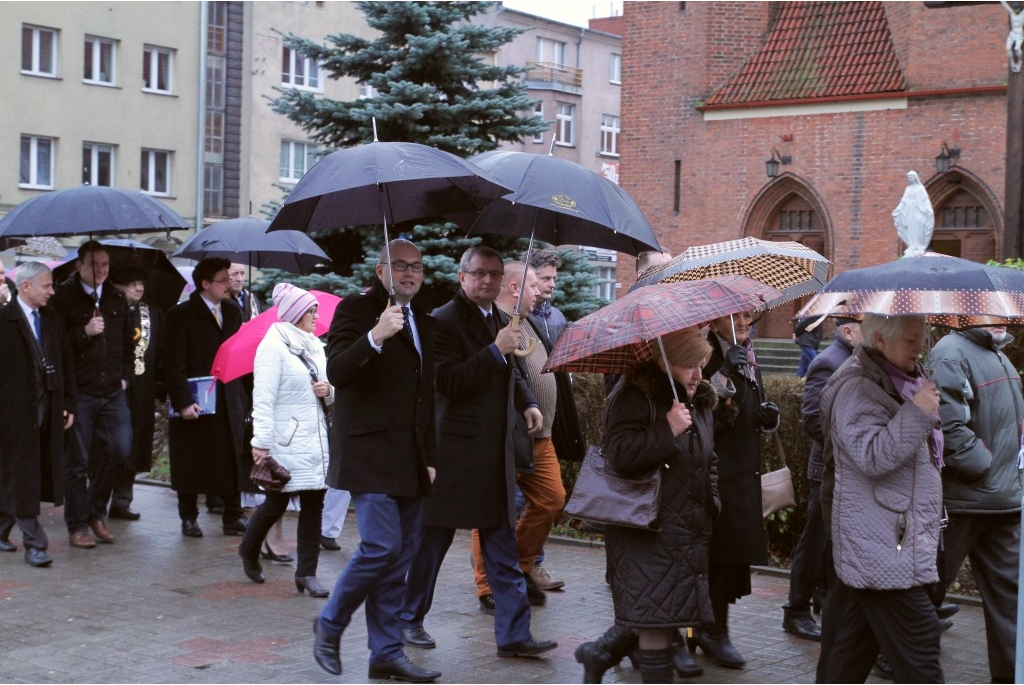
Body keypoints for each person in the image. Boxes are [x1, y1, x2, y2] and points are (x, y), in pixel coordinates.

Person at [397, 246, 557, 660]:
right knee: (431, 545)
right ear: (461, 276)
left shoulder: (502, 319)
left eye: (493, 274)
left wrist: (528, 403)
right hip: (454, 453)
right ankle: (408, 620)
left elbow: (513, 372)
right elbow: (447, 381)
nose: (486, 281)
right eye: (478, 273)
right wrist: (495, 350)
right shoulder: (442, 322)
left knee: (501, 547)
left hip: (494, 452)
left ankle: (513, 634)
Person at [313, 239, 441, 682]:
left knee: (399, 559)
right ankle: (329, 623)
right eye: (399, 265)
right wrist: (376, 336)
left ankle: (385, 652)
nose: (409, 274)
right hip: (368, 452)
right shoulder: (356, 309)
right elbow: (337, 372)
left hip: (409, 457)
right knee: (380, 547)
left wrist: (430, 456)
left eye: (417, 267)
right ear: (379, 269)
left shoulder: (422, 319)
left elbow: (426, 396)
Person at [575, 326, 719, 683]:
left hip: (685, 528)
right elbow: (621, 456)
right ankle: (604, 655)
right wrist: (666, 431)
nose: (698, 374)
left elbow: (709, 458)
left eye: (702, 364)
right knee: (655, 621)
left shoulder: (697, 398)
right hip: (645, 528)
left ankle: (599, 653)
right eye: (690, 366)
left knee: (662, 612)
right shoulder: (633, 397)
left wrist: (712, 500)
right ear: (663, 362)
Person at [818, 314, 944, 683]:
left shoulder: (899, 380)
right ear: (880, 340)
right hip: (884, 546)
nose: (918, 347)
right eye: (910, 340)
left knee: (850, 652)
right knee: (921, 649)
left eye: (920, 338)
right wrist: (918, 412)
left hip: (890, 538)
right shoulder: (856, 387)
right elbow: (874, 456)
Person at [926, 325, 1021, 684]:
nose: (997, 317)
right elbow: (947, 425)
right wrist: (983, 466)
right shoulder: (951, 351)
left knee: (1011, 606)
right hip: (965, 503)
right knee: (925, 592)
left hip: (1004, 503)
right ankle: (895, 660)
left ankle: (1011, 677)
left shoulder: (1000, 355)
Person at [470, 260, 566, 610]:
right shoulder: (493, 324)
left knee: (551, 499)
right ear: (513, 288)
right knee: (493, 510)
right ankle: (487, 585)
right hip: (507, 435)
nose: (539, 291)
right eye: (531, 286)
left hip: (541, 435)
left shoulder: (530, 322)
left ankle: (520, 566)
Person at [696, 310, 779, 668]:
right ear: (715, 321)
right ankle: (710, 631)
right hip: (717, 470)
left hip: (743, 468)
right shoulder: (707, 353)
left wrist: (764, 417)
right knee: (720, 555)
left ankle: (715, 627)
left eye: (748, 315)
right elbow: (698, 407)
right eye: (735, 316)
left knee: (733, 556)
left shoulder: (748, 353)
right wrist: (725, 370)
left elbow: (743, 405)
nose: (744, 322)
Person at [238, 283, 331, 597]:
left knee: (314, 506)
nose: (316, 316)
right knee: (276, 503)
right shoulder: (272, 346)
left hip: (316, 439)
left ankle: (307, 574)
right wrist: (261, 442)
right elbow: (262, 398)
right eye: (311, 311)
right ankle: (249, 549)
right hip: (286, 440)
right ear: (295, 314)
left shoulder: (315, 345)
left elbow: (329, 391)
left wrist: (328, 391)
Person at [783, 318, 861, 643]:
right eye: (866, 326)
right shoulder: (828, 363)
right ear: (847, 331)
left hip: (849, 470)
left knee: (832, 543)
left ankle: (822, 600)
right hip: (827, 470)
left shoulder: (857, 362)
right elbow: (813, 420)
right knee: (815, 540)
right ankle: (796, 610)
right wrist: (853, 445)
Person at [52, 240, 134, 549]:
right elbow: (57, 347)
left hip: (113, 389)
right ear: (79, 266)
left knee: (121, 451)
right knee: (77, 462)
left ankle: (96, 512)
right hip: (80, 391)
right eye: (94, 265)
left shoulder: (115, 295)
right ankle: (77, 525)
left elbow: (128, 342)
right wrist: (83, 332)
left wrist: (125, 376)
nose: (100, 270)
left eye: (105, 265)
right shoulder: (63, 298)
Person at [161, 257, 249, 538]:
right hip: (196, 398)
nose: (230, 284)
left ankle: (233, 515)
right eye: (223, 280)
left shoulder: (233, 311)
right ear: (205, 284)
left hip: (229, 396)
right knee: (191, 457)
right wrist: (183, 401)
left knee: (233, 456)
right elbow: (172, 363)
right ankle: (188, 516)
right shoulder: (180, 315)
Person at [0, 262, 76, 567]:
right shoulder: (4, 321)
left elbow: (64, 360)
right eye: (46, 286)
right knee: (23, 473)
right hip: (13, 415)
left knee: (26, 471)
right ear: (26, 286)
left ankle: (3, 528)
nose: (52, 292)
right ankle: (35, 542)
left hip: (49, 408)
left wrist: (67, 401)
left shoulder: (51, 319)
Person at [106, 267, 162, 521]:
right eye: (132, 284)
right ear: (117, 286)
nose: (138, 288)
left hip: (141, 389)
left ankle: (122, 500)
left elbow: (160, 350)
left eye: (141, 283)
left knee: (134, 445)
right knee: (110, 445)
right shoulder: (105, 310)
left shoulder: (151, 313)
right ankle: (97, 499)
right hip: (110, 389)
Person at [527, 250, 568, 344]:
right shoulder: (516, 316)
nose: (553, 285)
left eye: (554, 278)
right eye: (546, 278)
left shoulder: (558, 317)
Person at [892, 171, 934, 257]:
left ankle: (918, 245)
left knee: (918, 227)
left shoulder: (920, 188)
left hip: (918, 209)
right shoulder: (908, 189)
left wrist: (929, 209)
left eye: (911, 177)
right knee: (910, 228)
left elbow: (925, 200)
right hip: (909, 210)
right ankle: (912, 246)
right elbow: (903, 201)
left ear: (915, 177)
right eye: (909, 177)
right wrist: (898, 209)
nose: (910, 179)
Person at [1001, 0, 1024, 72]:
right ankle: (1012, 62)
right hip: (1012, 33)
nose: (1015, 11)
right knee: (1008, 49)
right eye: (1014, 9)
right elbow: (1004, 3)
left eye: (1017, 9)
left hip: (1019, 33)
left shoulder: (1022, 14)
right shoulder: (1012, 13)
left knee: (1017, 49)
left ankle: (1019, 61)